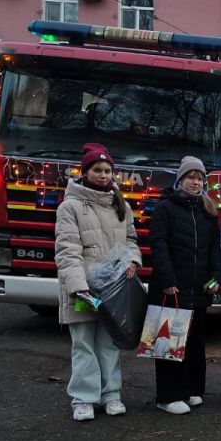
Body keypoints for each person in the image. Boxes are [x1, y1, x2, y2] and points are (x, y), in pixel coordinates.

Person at [55, 143, 142, 421]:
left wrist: (133, 261)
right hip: (83, 288)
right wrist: (78, 286)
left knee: (110, 342)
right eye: (97, 170)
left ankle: (111, 393)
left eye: (107, 170)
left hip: (114, 289)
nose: (103, 175)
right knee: (83, 343)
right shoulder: (70, 207)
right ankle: (84, 397)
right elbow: (67, 249)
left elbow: (131, 241)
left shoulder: (121, 204)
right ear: (85, 172)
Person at [147, 156, 221, 415]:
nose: (196, 182)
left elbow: (214, 249)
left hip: (198, 288)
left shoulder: (208, 211)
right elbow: (158, 245)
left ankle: (192, 390)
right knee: (168, 341)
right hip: (171, 289)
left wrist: (216, 277)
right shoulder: (165, 208)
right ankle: (168, 396)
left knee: (194, 342)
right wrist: (167, 280)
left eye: (200, 178)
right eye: (191, 177)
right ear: (180, 179)